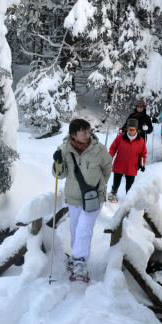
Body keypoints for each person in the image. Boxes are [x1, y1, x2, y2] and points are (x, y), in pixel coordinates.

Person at [52, 118, 112, 283]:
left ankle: (80, 262)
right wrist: (57, 162)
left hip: (94, 198)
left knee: (84, 229)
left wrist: (100, 185)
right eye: (83, 132)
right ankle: (76, 256)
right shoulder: (64, 150)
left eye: (88, 131)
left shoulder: (98, 149)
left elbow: (108, 168)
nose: (87, 134)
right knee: (75, 229)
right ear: (73, 134)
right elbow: (60, 175)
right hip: (74, 198)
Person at [107, 119, 147, 202]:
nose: (131, 131)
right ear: (127, 129)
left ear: (136, 130)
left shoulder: (141, 141)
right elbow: (113, 148)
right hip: (119, 164)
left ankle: (129, 200)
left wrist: (142, 164)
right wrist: (109, 158)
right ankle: (113, 193)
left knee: (130, 186)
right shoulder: (120, 137)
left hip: (132, 166)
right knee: (116, 182)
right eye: (129, 129)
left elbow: (143, 154)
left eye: (133, 129)